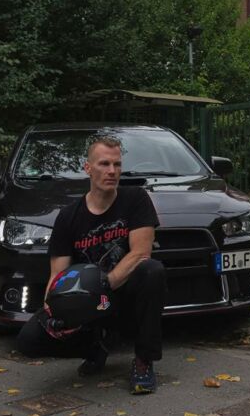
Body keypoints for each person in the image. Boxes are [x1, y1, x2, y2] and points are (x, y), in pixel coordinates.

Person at [17, 135, 166, 394]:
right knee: (28, 340)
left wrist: (104, 286)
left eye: (117, 164)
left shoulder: (136, 199)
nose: (112, 171)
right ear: (88, 168)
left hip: (121, 296)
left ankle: (144, 360)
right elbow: (57, 274)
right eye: (104, 164)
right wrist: (54, 312)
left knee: (152, 271)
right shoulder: (68, 216)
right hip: (85, 303)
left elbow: (141, 253)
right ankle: (95, 347)